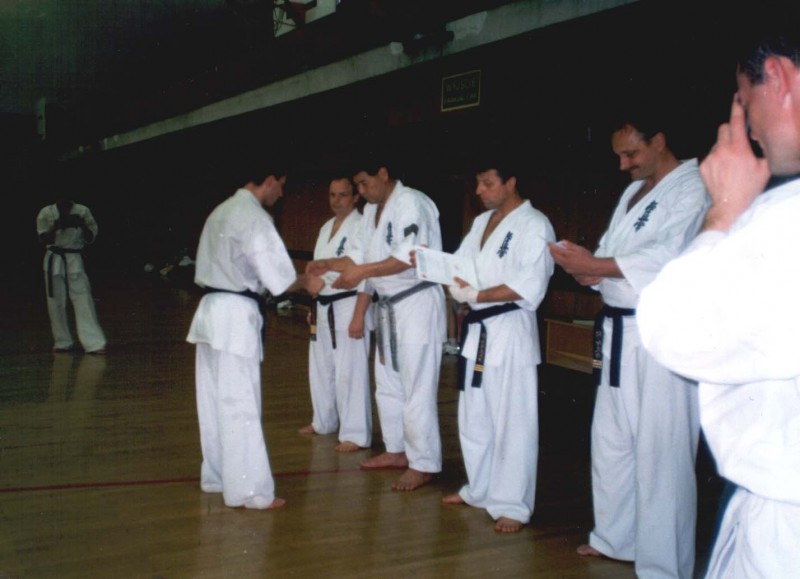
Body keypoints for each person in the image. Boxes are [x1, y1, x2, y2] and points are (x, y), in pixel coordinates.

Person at [637, 21, 800, 577]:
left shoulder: (784, 220)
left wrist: (725, 210)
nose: (749, 126)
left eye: (745, 102)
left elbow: (672, 329)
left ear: (777, 77)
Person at [548, 115, 709, 577]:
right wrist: (588, 270)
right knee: (612, 440)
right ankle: (617, 537)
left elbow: (666, 255)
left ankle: (663, 564)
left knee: (662, 450)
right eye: (619, 155)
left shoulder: (692, 188)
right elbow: (610, 251)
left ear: (659, 141)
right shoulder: (633, 192)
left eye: (631, 153)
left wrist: (596, 265)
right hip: (618, 330)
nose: (623, 164)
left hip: (660, 332)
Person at [186, 170, 324, 510]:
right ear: (270, 179)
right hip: (234, 315)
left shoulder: (220, 210)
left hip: (210, 311)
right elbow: (279, 279)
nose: (281, 195)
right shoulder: (253, 216)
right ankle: (250, 492)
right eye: (282, 186)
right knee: (240, 404)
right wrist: (306, 281)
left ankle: (217, 477)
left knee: (214, 403)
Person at [441, 162, 555, 533]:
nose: (479, 191)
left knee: (513, 423)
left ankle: (513, 505)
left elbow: (529, 284)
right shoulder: (480, 223)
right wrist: (440, 270)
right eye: (478, 183)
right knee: (474, 417)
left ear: (511, 182)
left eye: (487, 183)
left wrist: (476, 295)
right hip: (478, 332)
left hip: (510, 330)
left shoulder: (534, 225)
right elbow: (459, 265)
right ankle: (480, 488)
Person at [324, 156, 446, 492]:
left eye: (365, 183)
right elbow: (361, 258)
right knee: (388, 383)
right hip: (389, 306)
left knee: (416, 386)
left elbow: (409, 255)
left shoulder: (412, 203)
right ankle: (396, 449)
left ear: (383, 173)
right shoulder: (370, 212)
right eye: (358, 185)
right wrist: (329, 265)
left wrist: (361, 272)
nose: (361, 191)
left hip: (417, 303)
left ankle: (423, 463)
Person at [301, 176, 372, 453]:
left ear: (355, 197)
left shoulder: (362, 225)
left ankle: (355, 433)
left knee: (350, 370)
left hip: (348, 304)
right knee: (320, 367)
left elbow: (362, 269)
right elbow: (318, 275)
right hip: (323, 305)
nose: (336, 200)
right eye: (332, 195)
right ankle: (323, 421)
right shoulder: (325, 227)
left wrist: (359, 315)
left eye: (343, 195)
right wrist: (313, 305)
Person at [36, 194, 107, 355]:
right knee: (55, 302)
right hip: (54, 258)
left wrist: (81, 224)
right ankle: (62, 341)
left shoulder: (82, 211)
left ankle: (94, 343)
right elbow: (43, 239)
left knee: (83, 298)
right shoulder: (46, 212)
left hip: (74, 257)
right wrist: (56, 226)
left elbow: (91, 237)